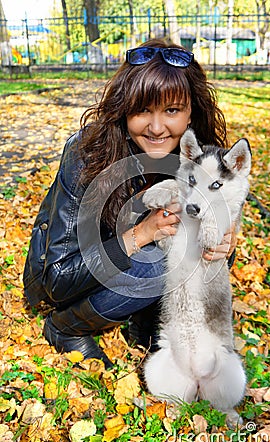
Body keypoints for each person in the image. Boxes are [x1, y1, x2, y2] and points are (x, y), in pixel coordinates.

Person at [23, 38, 236, 369]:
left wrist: (222, 244)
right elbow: (57, 278)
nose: (156, 127)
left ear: (192, 111)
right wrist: (142, 233)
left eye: (172, 110)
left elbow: (212, 249)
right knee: (156, 263)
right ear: (124, 109)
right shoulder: (88, 154)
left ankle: (146, 326)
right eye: (142, 111)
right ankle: (66, 328)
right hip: (68, 277)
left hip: (123, 273)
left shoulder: (200, 158)